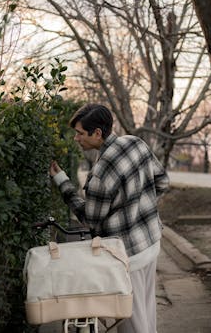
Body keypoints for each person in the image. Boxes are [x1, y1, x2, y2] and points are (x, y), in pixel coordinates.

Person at [50, 103, 169, 333]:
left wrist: (62, 182)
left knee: (132, 324)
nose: (76, 138)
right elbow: (162, 183)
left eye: (80, 133)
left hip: (128, 257)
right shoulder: (136, 143)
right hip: (152, 243)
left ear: (97, 133)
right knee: (147, 313)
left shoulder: (100, 175)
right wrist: (139, 207)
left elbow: (90, 220)